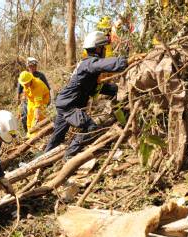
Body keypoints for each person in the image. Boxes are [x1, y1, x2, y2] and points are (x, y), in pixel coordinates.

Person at [44, 31, 127, 159]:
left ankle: (43, 159)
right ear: (98, 48)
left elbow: (94, 88)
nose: (104, 51)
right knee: (91, 126)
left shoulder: (86, 65)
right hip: (69, 106)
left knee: (57, 137)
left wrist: (115, 90)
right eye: (103, 48)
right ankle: (70, 155)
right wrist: (124, 61)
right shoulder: (89, 63)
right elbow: (102, 65)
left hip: (64, 103)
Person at [16, 57, 51, 133]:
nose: (33, 68)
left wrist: (37, 113)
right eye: (31, 66)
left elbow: (39, 100)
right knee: (28, 116)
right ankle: (28, 133)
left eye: (34, 66)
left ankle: (39, 133)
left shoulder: (40, 78)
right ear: (28, 67)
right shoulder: (23, 76)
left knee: (38, 116)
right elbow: (19, 93)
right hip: (30, 99)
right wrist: (19, 107)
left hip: (41, 99)